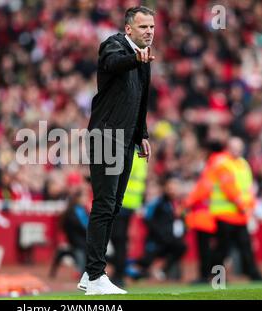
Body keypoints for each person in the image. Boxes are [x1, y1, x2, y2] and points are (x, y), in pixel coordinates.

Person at [78, 6, 155, 295]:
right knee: (104, 204)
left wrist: (142, 134)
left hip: (124, 138)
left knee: (114, 206)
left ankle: (90, 273)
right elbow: (113, 63)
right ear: (128, 29)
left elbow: (140, 100)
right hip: (105, 137)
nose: (149, 31)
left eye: (152, 27)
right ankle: (96, 275)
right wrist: (136, 58)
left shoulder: (144, 58)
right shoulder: (114, 45)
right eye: (144, 26)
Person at [209, 137, 262, 282]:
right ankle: (217, 276)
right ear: (228, 147)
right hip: (225, 213)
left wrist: (250, 207)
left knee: (245, 246)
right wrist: (244, 206)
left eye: (239, 148)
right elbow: (229, 189)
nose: (237, 151)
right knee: (223, 248)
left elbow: (249, 188)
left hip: (240, 215)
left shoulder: (243, 164)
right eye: (234, 147)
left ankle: (253, 274)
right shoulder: (223, 163)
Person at [184, 141, 225, 284]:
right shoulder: (225, 163)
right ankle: (218, 277)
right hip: (219, 213)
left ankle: (205, 276)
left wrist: (187, 202)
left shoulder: (213, 165)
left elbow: (203, 188)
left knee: (205, 247)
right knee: (220, 247)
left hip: (206, 214)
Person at [136, 174, 186, 281]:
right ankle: (137, 273)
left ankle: (161, 270)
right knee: (143, 263)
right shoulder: (158, 202)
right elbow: (148, 219)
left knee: (181, 247)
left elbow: (182, 222)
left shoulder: (179, 204)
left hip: (170, 240)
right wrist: (160, 234)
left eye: (175, 188)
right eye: (170, 187)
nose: (172, 190)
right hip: (157, 240)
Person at [109, 152, 147, 287]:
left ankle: (119, 273)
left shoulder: (129, 155)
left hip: (123, 201)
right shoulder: (139, 157)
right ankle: (119, 271)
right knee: (120, 239)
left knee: (117, 238)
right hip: (131, 202)